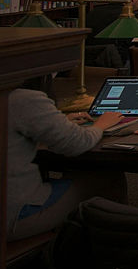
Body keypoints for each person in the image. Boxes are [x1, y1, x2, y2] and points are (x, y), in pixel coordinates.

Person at [7, 75, 126, 240]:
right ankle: (112, 249)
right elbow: (78, 143)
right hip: (15, 216)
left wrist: (56, 122)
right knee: (108, 176)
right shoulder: (23, 98)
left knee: (70, 176)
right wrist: (101, 124)